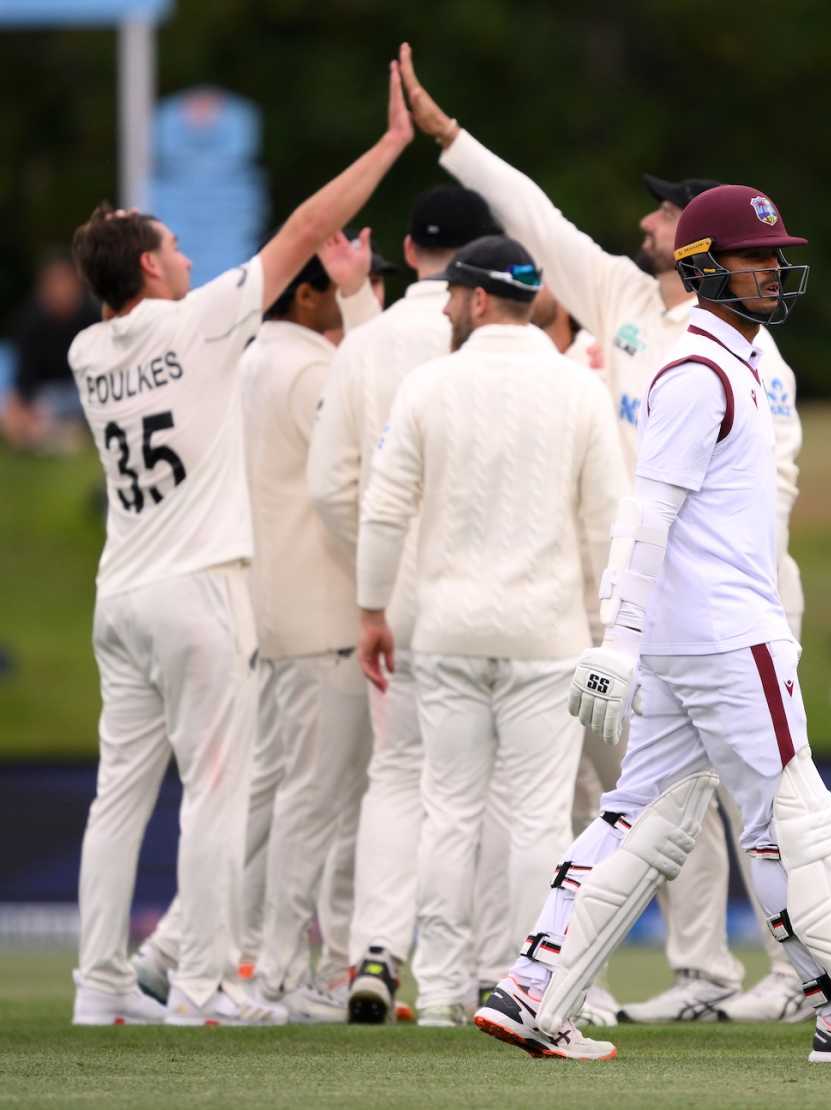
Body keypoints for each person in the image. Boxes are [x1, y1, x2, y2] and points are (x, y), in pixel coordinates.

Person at [472, 185, 831, 1064]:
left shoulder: (723, 362)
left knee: (635, 820)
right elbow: (645, 514)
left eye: (774, 255)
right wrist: (616, 645)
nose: (773, 270)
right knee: (798, 820)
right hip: (728, 642)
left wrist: (632, 643)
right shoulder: (701, 370)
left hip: (689, 642)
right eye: (753, 256)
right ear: (703, 268)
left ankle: (536, 991)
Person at [400, 43, 808, 1024]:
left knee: (757, 794)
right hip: (635, 595)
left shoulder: (756, 351)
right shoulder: (625, 302)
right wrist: (452, 140)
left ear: (701, 240)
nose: (643, 222)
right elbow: (537, 215)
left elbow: (773, 487)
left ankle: (793, 976)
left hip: (731, 590)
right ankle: (699, 972)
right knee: (647, 795)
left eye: (663, 212)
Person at [67, 50, 414, 1027]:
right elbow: (305, 227)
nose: (186, 256)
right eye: (172, 246)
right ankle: (207, 988)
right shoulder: (199, 326)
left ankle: (99, 991)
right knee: (217, 796)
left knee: (117, 801)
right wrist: (389, 143)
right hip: (198, 591)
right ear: (149, 268)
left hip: (120, 596)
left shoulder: (88, 350)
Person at [356, 234, 626, 1027]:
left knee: (449, 808)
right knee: (541, 818)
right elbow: (610, 524)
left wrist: (374, 610)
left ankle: (441, 988)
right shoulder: (578, 389)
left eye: (451, 295)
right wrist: (610, 628)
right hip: (546, 632)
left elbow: (383, 507)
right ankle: (529, 982)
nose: (444, 307)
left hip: (446, 630)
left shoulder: (430, 385)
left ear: (477, 299)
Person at [130, 233, 382, 1019]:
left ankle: (174, 947)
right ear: (308, 296)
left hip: (257, 611)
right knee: (311, 806)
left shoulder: (238, 363)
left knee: (265, 802)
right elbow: (359, 478)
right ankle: (269, 973)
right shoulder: (313, 370)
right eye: (335, 291)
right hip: (323, 616)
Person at [307, 184, 502, 1024]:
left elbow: (329, 487)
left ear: (411, 250)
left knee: (398, 777)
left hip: (401, 599)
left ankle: (378, 952)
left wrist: (373, 582)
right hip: (487, 589)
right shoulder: (501, 336)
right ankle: (488, 970)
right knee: (487, 785)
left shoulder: (367, 342)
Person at [3, 251, 98, 452]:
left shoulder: (92, 317)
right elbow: (24, 376)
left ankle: (50, 436)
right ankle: (51, 436)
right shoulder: (30, 322)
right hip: (46, 396)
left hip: (84, 392)